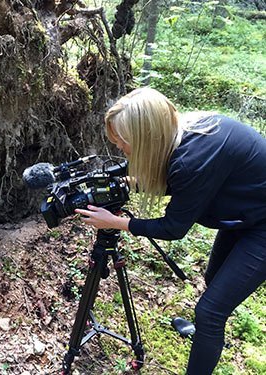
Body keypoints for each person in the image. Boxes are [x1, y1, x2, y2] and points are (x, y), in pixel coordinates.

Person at [75, 87, 266, 374]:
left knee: (210, 311)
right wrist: (126, 183)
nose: (120, 149)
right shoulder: (178, 133)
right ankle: (207, 335)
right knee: (213, 280)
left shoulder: (193, 159)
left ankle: (207, 333)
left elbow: (174, 227)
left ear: (146, 137)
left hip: (261, 226)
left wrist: (115, 222)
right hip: (244, 213)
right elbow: (174, 179)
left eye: (123, 142)